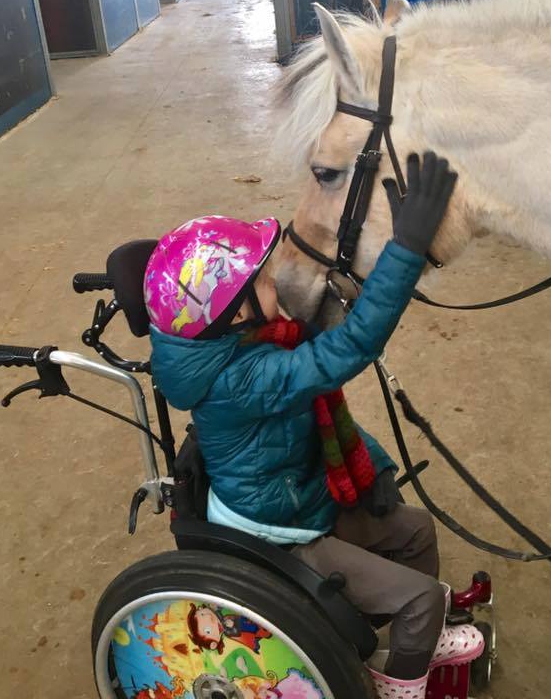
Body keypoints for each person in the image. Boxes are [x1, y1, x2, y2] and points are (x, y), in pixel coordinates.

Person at [144, 153, 484, 699]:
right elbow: (347, 348)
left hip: (293, 494)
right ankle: (400, 683)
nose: (276, 280)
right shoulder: (243, 379)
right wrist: (405, 251)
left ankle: (416, 635)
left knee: (416, 528)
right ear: (234, 314)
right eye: (264, 280)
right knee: (422, 596)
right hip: (280, 532)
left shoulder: (246, 342)